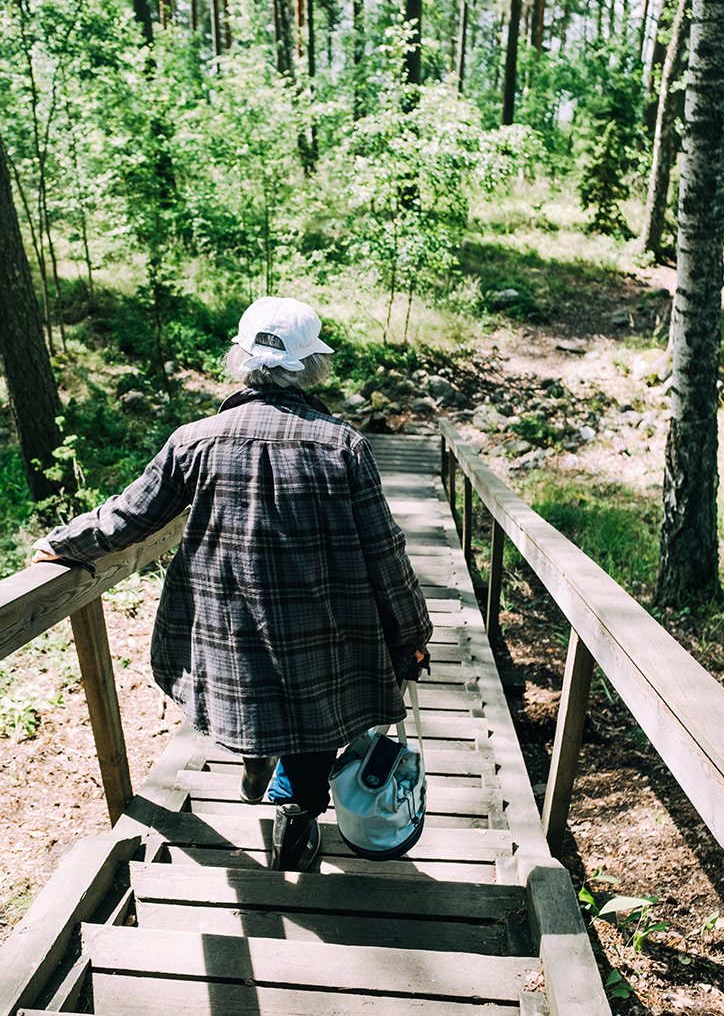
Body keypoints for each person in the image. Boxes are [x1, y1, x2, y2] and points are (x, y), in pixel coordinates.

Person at [32, 296, 432, 871]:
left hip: (227, 625)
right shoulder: (343, 445)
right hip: (322, 625)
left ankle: (255, 762)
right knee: (312, 703)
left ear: (240, 360)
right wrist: (412, 630)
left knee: (252, 693)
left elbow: (129, 516)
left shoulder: (196, 439)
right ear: (311, 368)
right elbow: (385, 551)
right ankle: (295, 820)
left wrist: (65, 543)